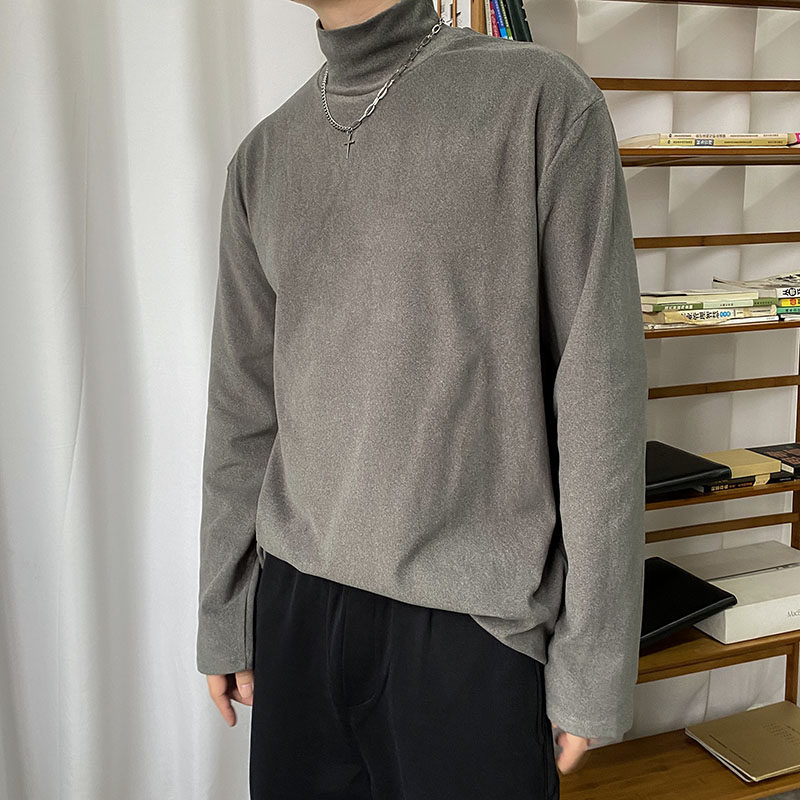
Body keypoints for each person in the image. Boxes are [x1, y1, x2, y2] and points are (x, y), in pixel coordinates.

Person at [196, 0, 648, 797]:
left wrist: (593, 660)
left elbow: (598, 398)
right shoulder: (263, 157)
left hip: (470, 629)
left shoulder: (538, 101)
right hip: (295, 609)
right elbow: (243, 408)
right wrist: (225, 609)